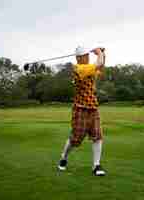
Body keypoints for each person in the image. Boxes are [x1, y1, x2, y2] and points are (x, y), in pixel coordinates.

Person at [57, 46, 106, 176]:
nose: (87, 57)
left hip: (93, 108)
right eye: (85, 56)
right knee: (75, 139)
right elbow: (98, 63)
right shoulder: (79, 69)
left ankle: (96, 165)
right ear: (78, 58)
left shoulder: (89, 68)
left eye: (87, 55)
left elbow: (100, 68)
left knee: (98, 136)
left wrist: (103, 55)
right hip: (80, 108)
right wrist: (99, 53)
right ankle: (63, 157)